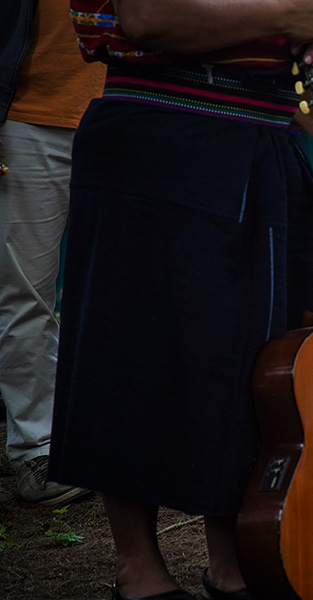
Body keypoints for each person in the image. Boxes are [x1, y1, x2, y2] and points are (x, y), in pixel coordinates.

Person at [48, 1, 313, 599]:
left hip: (264, 129)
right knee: (129, 343)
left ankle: (232, 553)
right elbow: (148, 17)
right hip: (157, 124)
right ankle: (137, 561)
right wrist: (291, 14)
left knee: (253, 363)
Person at [0, 0, 103, 505]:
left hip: (131, 113)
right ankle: (37, 449)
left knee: (128, 286)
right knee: (25, 289)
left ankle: (116, 438)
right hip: (24, 118)